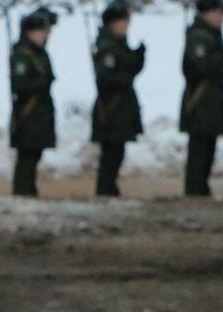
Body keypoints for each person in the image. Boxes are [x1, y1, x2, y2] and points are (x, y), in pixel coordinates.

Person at [91, 2, 143, 198]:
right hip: (111, 107)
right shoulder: (107, 46)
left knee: (117, 151)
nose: (127, 26)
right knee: (111, 153)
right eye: (124, 21)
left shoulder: (119, 44)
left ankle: (110, 188)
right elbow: (106, 78)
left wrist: (137, 60)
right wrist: (126, 75)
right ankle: (105, 189)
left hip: (122, 106)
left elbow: (127, 70)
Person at [180, 0, 223, 198]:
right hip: (200, 102)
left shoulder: (212, 35)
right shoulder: (200, 36)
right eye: (218, 12)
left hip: (211, 102)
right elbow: (196, 68)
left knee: (208, 150)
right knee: (199, 152)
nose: (221, 17)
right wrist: (214, 61)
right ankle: (195, 192)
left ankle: (201, 189)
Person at [9, 12, 56, 197]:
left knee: (34, 154)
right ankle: (22, 191)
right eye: (42, 31)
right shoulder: (22, 54)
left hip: (39, 112)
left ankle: (28, 189)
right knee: (26, 156)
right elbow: (20, 84)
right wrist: (42, 82)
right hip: (28, 112)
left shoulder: (39, 53)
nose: (45, 35)